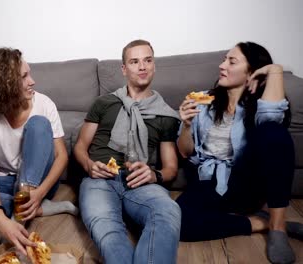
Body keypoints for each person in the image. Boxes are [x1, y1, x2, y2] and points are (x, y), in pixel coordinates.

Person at [176, 42, 303, 264]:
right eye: (224, 59)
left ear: (251, 72)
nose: (222, 65)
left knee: (274, 132)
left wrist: (274, 70)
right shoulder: (203, 100)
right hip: (206, 180)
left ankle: (278, 227)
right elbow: (185, 153)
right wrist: (186, 125)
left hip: (245, 182)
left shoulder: (261, 106)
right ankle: (260, 223)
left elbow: (273, 123)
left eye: (231, 61)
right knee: (175, 221)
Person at [0, 47, 78, 255]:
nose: (32, 81)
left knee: (39, 124)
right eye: (24, 76)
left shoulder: (44, 104)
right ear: (5, 85)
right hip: (7, 181)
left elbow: (61, 156)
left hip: (40, 182)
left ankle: (21, 215)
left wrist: (40, 192)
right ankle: (39, 208)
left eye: (30, 74)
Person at [73, 39, 182, 264]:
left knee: (168, 212)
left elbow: (171, 168)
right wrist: (89, 166)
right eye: (134, 61)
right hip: (100, 180)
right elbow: (81, 146)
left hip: (140, 182)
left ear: (154, 65)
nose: (142, 67)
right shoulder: (104, 103)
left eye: (147, 60)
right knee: (107, 228)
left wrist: (154, 175)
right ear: (124, 69)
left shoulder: (167, 115)